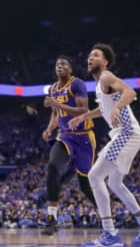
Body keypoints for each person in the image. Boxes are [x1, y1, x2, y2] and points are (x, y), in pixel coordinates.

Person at [69, 44, 140, 246]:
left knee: (94, 175)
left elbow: (131, 92)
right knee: (114, 184)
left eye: (96, 55)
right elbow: (103, 110)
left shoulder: (106, 76)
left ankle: (109, 234)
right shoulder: (99, 85)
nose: (90, 58)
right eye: (89, 55)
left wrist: (118, 107)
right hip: (127, 134)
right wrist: (84, 116)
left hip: (126, 133)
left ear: (105, 62)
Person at [41, 56, 96, 235]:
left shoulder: (77, 84)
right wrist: (49, 129)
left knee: (85, 185)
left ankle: (106, 214)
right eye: (57, 64)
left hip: (84, 138)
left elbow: (83, 111)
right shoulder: (53, 89)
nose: (59, 67)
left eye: (63, 64)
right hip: (65, 136)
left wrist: (57, 103)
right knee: (52, 166)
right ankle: (51, 219)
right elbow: (56, 115)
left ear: (70, 70)